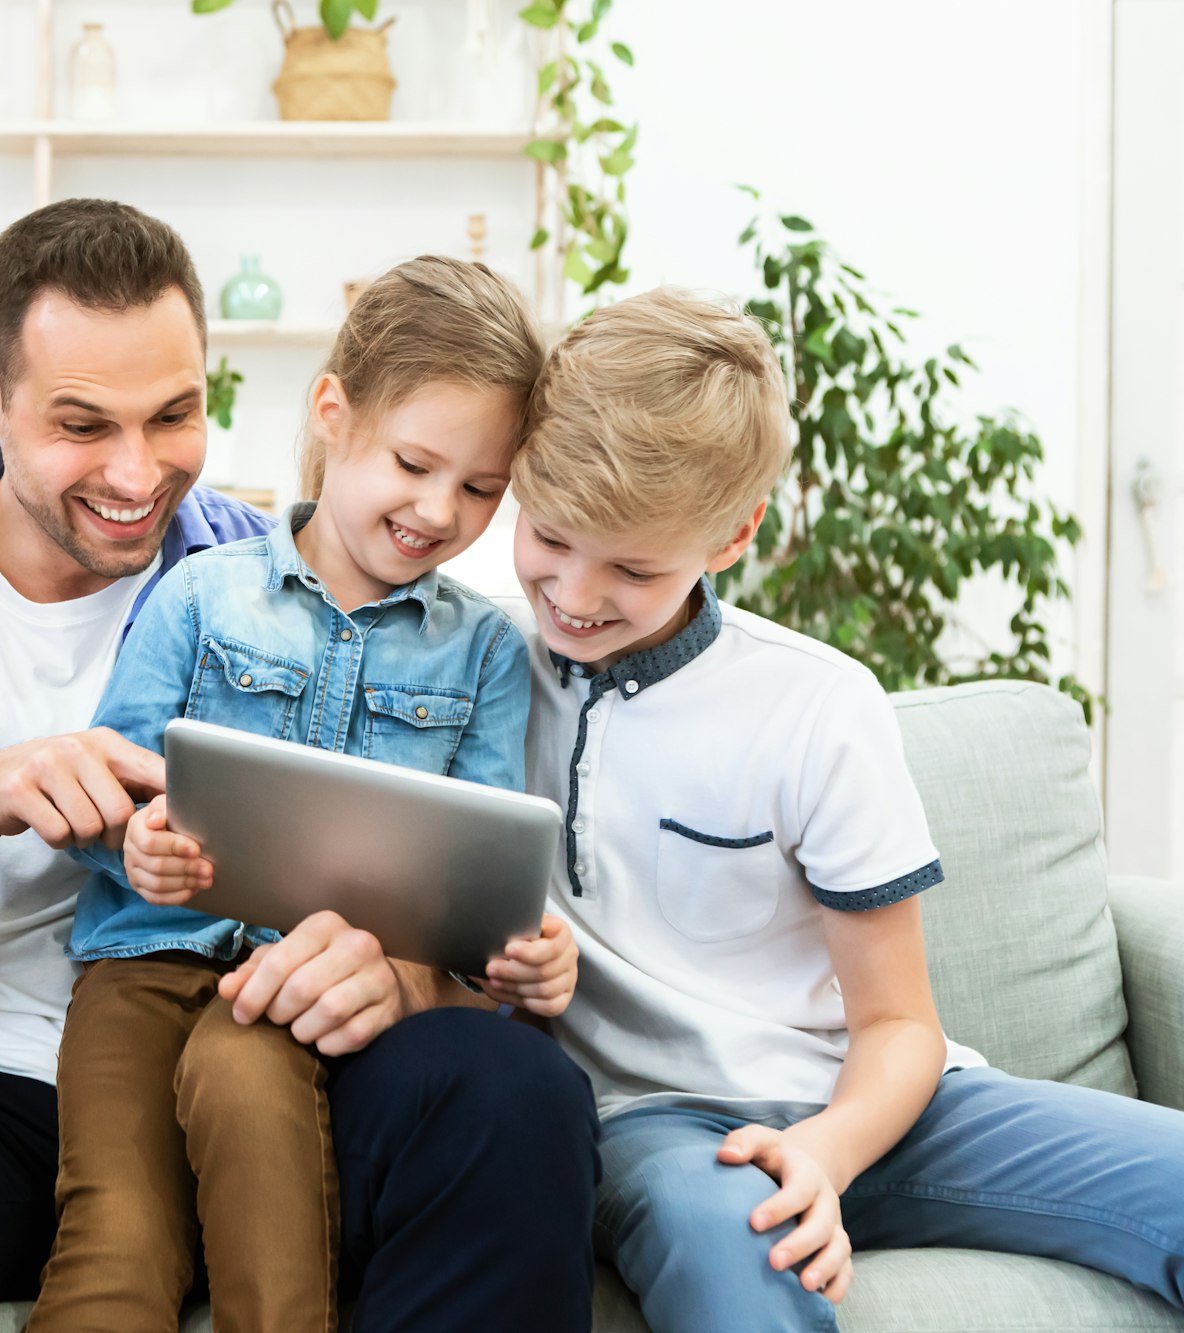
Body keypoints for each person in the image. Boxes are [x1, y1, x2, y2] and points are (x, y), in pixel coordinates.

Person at [0, 201, 601, 1332]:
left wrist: (404, 979)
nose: (135, 470)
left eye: (172, 416)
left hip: (267, 1093)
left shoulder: (285, 579)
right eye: (80, 424)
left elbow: (456, 900)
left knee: (516, 1092)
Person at [505, 286, 1184, 1331]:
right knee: (732, 1241)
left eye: (633, 566)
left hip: (877, 1109)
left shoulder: (816, 704)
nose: (575, 593)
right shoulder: (476, 673)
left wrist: (827, 1147)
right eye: (548, 536)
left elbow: (899, 1024)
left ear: (733, 535)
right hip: (655, 1128)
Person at [25, 254, 581, 1333]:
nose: (437, 511)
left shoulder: (484, 654)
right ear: (333, 413)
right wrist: (135, 843)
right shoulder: (197, 594)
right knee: (117, 1241)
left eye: (478, 488)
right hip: (141, 965)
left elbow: (475, 883)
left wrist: (519, 951)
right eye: (413, 463)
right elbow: (113, 784)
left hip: (304, 987)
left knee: (256, 1132)